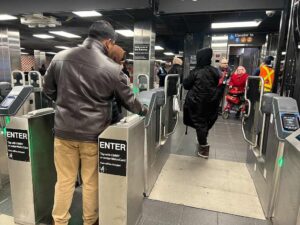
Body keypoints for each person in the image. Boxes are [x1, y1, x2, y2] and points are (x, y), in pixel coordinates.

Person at [43, 20, 147, 225]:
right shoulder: (112, 68)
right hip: (93, 136)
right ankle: (90, 221)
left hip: (63, 133)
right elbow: (130, 101)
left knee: (64, 181)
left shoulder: (60, 57)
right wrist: (144, 109)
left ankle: (59, 221)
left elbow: (48, 90)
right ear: (108, 42)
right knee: (91, 183)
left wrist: (65, 104)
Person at [183, 48, 220, 159]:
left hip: (197, 102)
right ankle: (202, 137)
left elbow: (186, 85)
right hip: (212, 101)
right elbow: (216, 83)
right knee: (205, 121)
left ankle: (203, 148)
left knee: (199, 123)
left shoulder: (196, 71)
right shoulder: (215, 71)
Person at [107, 44, 127, 124]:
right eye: (121, 59)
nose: (122, 62)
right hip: (110, 114)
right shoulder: (114, 72)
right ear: (115, 58)